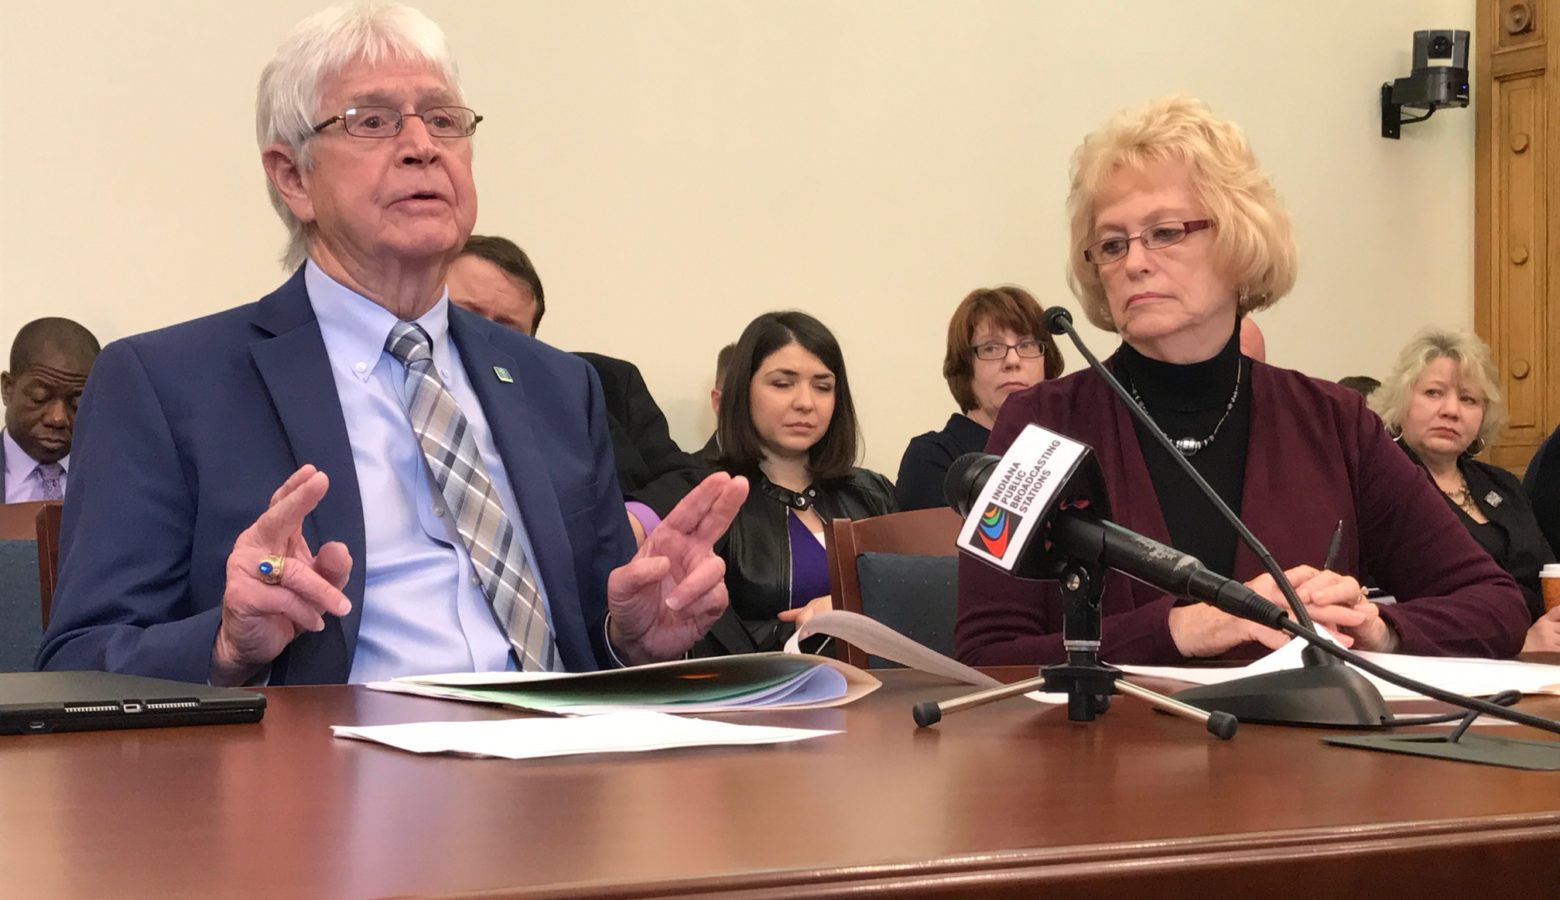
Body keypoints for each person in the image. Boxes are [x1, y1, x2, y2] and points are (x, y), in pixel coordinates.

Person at [37, 2, 746, 686]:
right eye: (372, 121)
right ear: (293, 178)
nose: (422, 146)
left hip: (560, 778)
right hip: (327, 787)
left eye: (443, 119)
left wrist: (633, 640)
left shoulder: (557, 385)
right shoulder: (165, 383)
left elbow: (595, 634)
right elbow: (79, 662)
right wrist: (225, 644)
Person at [955, 96, 1529, 667]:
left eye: (1165, 232)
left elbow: (1496, 608)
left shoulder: (1334, 422)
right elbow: (988, 654)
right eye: (1112, 244)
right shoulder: (1041, 423)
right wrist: (1182, 629)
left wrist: (1379, 629)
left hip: (1302, 752)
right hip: (1113, 754)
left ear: (1238, 238)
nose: (1134, 262)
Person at [445, 234, 706, 517]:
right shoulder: (399, 393)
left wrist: (634, 526)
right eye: (466, 316)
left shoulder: (603, 383)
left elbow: (687, 480)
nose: (484, 339)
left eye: (507, 329)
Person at [693, 311, 895, 655]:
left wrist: (855, 610)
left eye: (823, 387)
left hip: (885, 697)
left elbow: (918, 602)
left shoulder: (872, 492)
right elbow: (696, 635)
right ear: (741, 391)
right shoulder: (702, 495)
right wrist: (811, 629)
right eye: (782, 384)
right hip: (754, 700)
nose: (805, 403)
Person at [1373, 328, 1560, 651]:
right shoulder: (1383, 481)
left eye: (1468, 399)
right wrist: (1518, 644)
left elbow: (1547, 572)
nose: (1451, 410)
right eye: (1433, 393)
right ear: (1401, 402)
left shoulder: (1503, 484)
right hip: (1443, 663)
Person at [895, 286, 1064, 510]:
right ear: (965, 367)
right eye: (991, 348)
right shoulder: (933, 456)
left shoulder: (1066, 448)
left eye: (1027, 344)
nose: (1013, 360)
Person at [2, 318, 100, 502]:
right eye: (40, 397)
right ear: (7, 388)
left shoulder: (119, 479)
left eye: (77, 403)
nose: (58, 418)